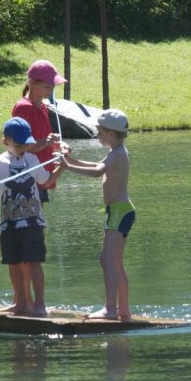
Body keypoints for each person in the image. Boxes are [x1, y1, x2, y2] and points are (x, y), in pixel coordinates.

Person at [57, 109, 134, 321]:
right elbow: (97, 165)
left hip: (119, 212)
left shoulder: (117, 154)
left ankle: (110, 309)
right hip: (121, 211)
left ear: (111, 133)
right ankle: (123, 310)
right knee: (115, 262)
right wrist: (72, 160)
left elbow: (98, 171)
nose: (97, 135)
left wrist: (68, 167)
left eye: (99, 131)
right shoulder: (116, 151)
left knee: (107, 260)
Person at [0, 117, 62, 316]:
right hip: (8, 222)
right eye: (18, 144)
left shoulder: (32, 159)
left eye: (26, 143)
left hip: (32, 221)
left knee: (34, 261)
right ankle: (21, 302)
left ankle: (39, 304)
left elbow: (46, 180)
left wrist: (61, 165)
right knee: (12, 263)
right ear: (5, 142)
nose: (23, 148)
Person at [13, 59, 66, 203]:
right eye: (48, 86)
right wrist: (46, 141)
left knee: (37, 222)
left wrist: (56, 145)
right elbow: (20, 147)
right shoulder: (23, 108)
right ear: (32, 83)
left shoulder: (42, 107)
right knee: (31, 223)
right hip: (28, 178)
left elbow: (42, 140)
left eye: (52, 87)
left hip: (41, 175)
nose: (51, 90)